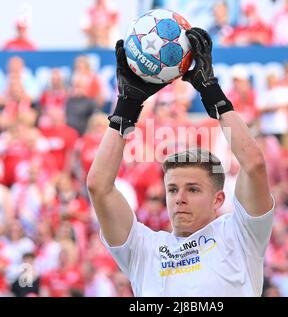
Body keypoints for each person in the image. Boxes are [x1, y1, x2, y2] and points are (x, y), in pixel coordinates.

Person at [86, 28, 274, 297]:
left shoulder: (241, 235)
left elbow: (253, 165)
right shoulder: (144, 248)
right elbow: (98, 186)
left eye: (193, 189)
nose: (179, 198)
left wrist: (213, 94)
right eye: (173, 189)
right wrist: (126, 107)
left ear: (218, 199)